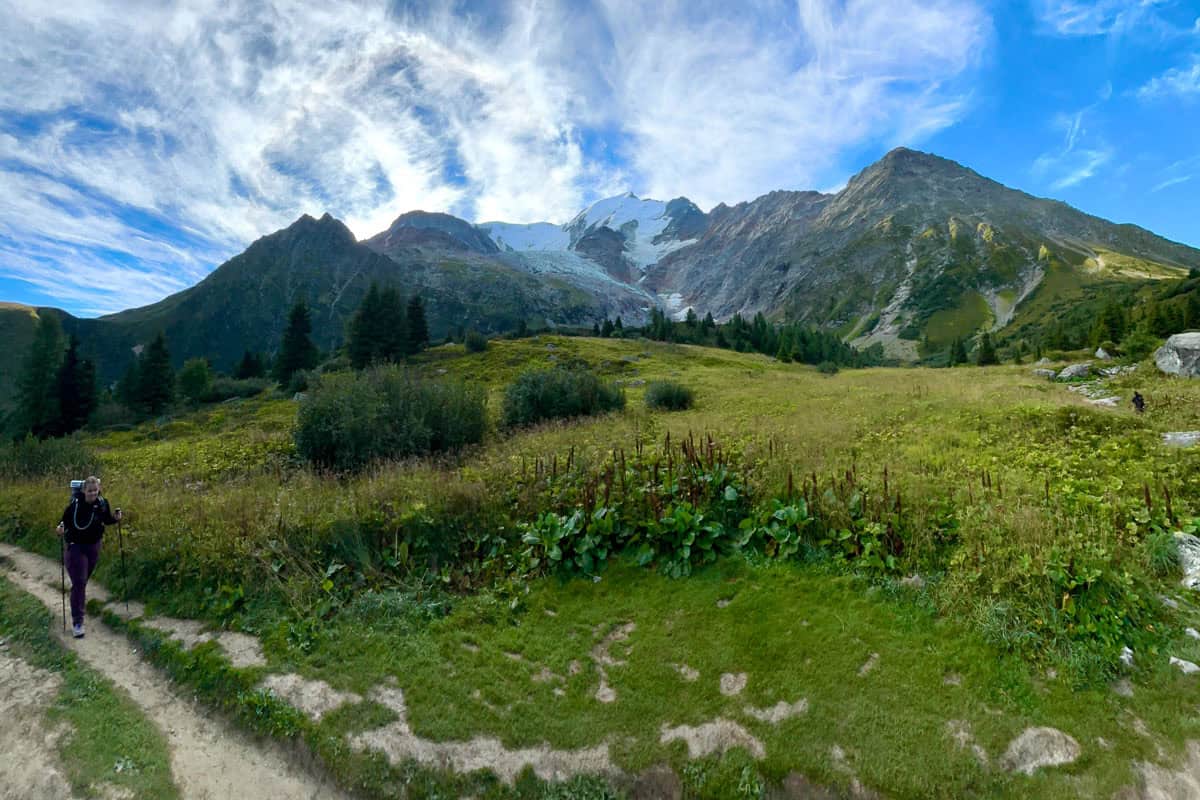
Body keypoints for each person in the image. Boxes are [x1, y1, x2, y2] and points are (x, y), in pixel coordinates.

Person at [55, 475, 122, 638]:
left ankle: (78, 612)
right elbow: (64, 522)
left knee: (82, 581)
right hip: (75, 547)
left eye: (95, 490)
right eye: (89, 491)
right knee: (79, 583)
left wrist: (115, 518)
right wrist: (60, 530)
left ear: (98, 489)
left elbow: (106, 520)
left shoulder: (102, 503)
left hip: (94, 546)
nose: (92, 493)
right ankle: (78, 622)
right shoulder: (75, 506)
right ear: (84, 491)